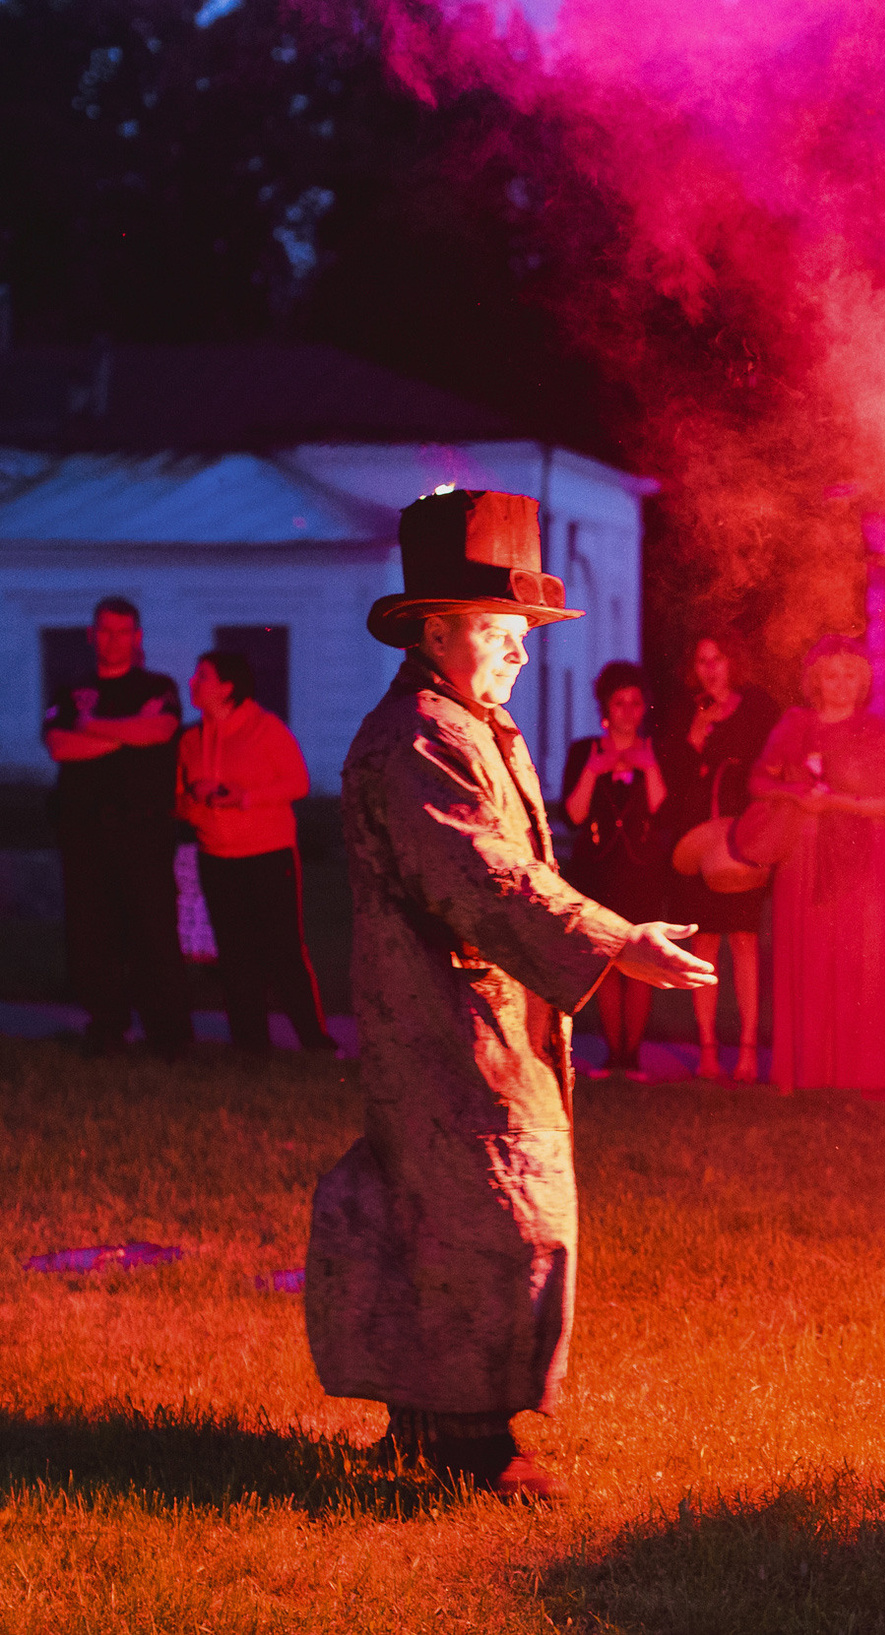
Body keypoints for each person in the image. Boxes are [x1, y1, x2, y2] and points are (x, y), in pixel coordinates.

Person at [307, 488, 715, 1498]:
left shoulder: (469, 724)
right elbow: (484, 878)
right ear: (438, 630)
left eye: (522, 633)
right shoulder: (418, 738)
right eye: (502, 632)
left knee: (470, 1206)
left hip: (481, 1024)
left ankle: (435, 1433)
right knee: (486, 1216)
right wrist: (616, 943)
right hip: (442, 1028)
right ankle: (465, 1450)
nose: (521, 653)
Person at [752, 636, 885, 1095]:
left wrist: (837, 802)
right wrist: (795, 794)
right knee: (808, 955)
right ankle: (804, 1071)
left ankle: (860, 1076)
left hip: (861, 858)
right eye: (831, 676)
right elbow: (758, 781)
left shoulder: (874, 732)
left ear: (863, 682)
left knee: (859, 960)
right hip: (803, 853)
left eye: (850, 676)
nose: (840, 685)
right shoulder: (794, 725)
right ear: (815, 680)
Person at [44, 595, 188, 1058]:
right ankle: (106, 1025)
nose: (113, 640)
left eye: (122, 631)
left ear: (137, 637)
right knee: (93, 931)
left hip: (143, 832)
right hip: (85, 832)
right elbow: (61, 747)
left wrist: (92, 725)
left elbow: (160, 731)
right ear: (92, 635)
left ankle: (167, 1033)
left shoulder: (157, 686)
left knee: (153, 932)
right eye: (104, 631)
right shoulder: (70, 691)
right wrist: (124, 734)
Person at [175, 648, 329, 1055]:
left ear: (227, 686)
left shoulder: (265, 729)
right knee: (235, 954)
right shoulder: (190, 740)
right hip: (216, 858)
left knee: (283, 950)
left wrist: (243, 797)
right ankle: (250, 1045)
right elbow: (179, 799)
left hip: (267, 854)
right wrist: (194, 801)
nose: (193, 682)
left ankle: (315, 1042)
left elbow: (297, 783)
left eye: (202, 676)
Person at [664, 632, 781, 1082]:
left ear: (733, 663)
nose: (710, 669)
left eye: (718, 659)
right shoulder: (683, 711)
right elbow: (671, 782)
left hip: (744, 838)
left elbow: (772, 764)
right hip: (698, 841)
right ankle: (708, 1051)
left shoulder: (757, 708)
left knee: (745, 940)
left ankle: (748, 1052)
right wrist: (694, 736)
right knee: (705, 942)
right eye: (702, 660)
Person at [563, 662, 671, 1080]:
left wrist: (648, 766)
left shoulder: (654, 749)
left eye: (635, 703)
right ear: (605, 706)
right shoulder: (583, 751)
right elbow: (573, 813)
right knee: (607, 961)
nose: (627, 710)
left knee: (640, 960)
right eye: (619, 702)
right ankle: (613, 1054)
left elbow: (662, 809)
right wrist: (595, 769)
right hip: (597, 871)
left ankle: (633, 1054)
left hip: (641, 870)